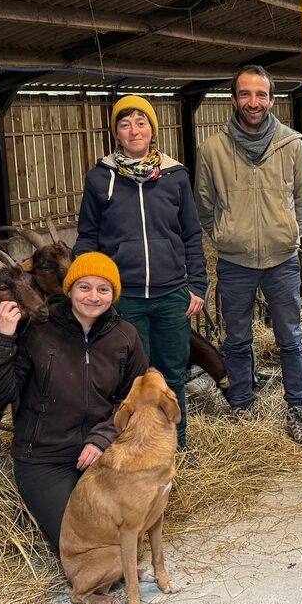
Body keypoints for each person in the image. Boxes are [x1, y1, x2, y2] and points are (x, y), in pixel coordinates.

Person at [0, 252, 147, 548]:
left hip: (101, 453)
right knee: (80, 544)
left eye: (103, 289)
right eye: (84, 287)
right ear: (68, 290)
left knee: (123, 535)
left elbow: (134, 399)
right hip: (45, 459)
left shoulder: (125, 336)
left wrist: (103, 437)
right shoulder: (37, 330)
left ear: (114, 294)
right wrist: (2, 338)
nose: (93, 296)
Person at [195, 65, 302, 446]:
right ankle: (243, 408)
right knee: (237, 339)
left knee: (290, 337)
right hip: (235, 261)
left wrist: (289, 235)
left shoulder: (292, 145)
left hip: (281, 260)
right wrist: (225, 236)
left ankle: (296, 408)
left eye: (261, 95)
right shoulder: (212, 149)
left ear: (271, 99)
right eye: (246, 94)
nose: (253, 102)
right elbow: (204, 203)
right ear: (233, 99)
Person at [74, 95, 206, 452]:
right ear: (116, 133)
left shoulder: (175, 176)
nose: (134, 130)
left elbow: (191, 234)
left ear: (152, 129)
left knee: (172, 376)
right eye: (125, 123)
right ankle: (135, 449)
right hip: (126, 298)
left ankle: (175, 448)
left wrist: (197, 284)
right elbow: (88, 236)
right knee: (132, 380)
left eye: (141, 122)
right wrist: (88, 285)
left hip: (170, 296)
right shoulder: (101, 178)